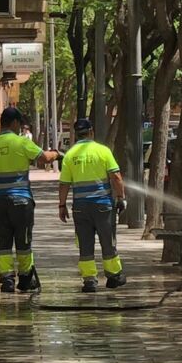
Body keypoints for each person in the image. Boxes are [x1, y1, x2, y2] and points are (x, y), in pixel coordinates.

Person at [0, 107, 59, 293]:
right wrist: (56, 153)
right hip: (21, 201)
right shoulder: (21, 142)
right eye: (20, 124)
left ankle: (7, 279)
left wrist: (0, 184)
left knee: (2, 242)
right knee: (23, 240)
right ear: (14, 123)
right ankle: (25, 278)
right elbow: (44, 158)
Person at [58, 118, 127, 292]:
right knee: (107, 241)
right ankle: (113, 276)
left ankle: (89, 280)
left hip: (80, 207)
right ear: (91, 132)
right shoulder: (102, 151)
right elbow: (116, 176)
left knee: (85, 244)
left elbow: (64, 184)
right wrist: (121, 197)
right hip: (102, 205)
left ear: (76, 135)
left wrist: (62, 205)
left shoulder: (70, 155)